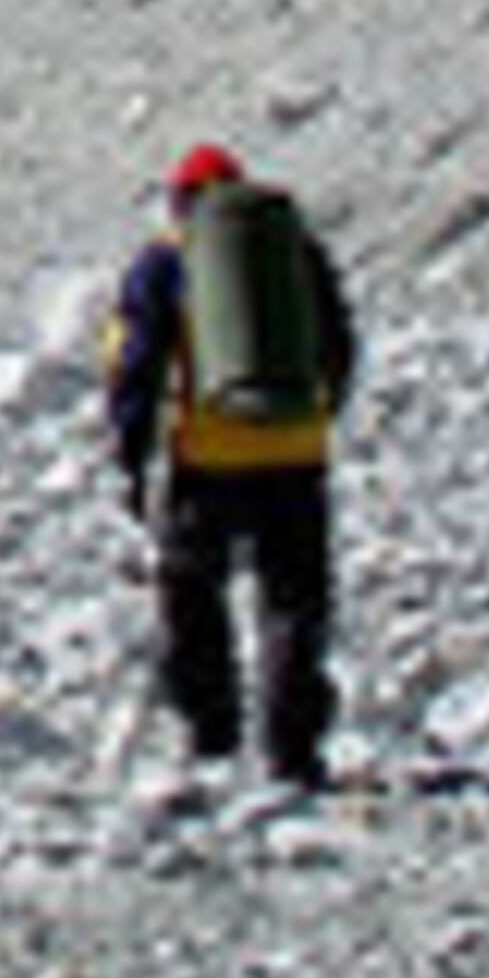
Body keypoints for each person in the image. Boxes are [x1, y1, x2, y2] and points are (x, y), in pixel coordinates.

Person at [102, 141, 356, 790]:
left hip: (209, 455)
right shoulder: (294, 251)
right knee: (294, 597)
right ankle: (293, 750)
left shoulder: (167, 258)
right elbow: (340, 342)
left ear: (180, 199)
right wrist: (316, 421)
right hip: (296, 451)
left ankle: (212, 733)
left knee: (192, 590)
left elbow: (134, 360)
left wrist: (131, 455)